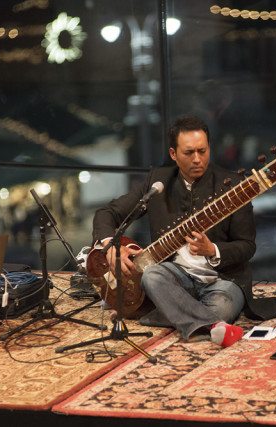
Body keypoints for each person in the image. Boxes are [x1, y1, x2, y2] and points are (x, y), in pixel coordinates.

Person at [92, 115, 256, 347]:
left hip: (222, 280)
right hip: (176, 277)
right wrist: (111, 246)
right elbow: (107, 213)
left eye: (202, 151)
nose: (197, 159)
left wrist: (212, 250)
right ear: (173, 154)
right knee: (151, 276)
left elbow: (247, 246)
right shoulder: (158, 182)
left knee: (223, 307)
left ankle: (169, 313)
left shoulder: (234, 186)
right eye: (189, 153)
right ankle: (207, 323)